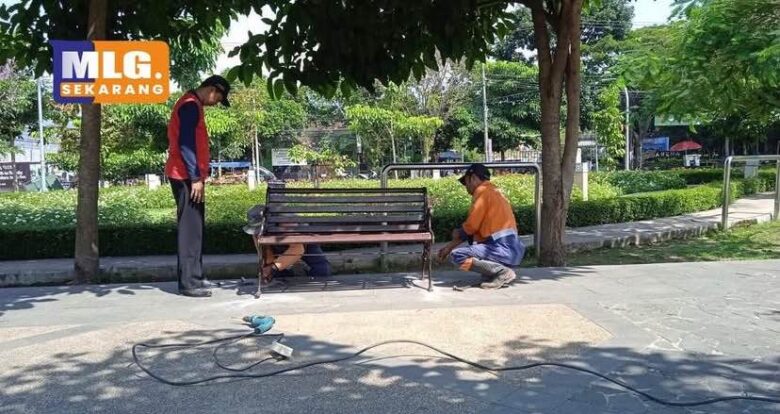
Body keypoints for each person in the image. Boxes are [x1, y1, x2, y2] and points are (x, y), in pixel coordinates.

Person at [165, 75, 231, 297]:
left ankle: (196, 276)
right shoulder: (190, 105)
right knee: (190, 230)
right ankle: (189, 283)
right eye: (218, 98)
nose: (216, 103)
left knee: (195, 229)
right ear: (212, 90)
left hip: (188, 175)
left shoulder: (192, 103)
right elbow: (186, 144)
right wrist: (195, 178)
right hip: (185, 176)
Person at [437, 163, 525, 289]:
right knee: (482, 269)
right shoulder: (495, 192)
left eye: (466, 182)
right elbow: (472, 231)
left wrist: (458, 234)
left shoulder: (482, 192)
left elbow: (470, 228)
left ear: (473, 178)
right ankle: (499, 272)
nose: (466, 187)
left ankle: (502, 272)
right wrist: (449, 246)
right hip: (512, 252)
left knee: (457, 256)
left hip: (501, 249)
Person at [260, 243, 331, 283]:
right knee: (276, 277)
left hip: (305, 241)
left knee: (322, 270)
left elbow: (298, 248)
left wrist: (273, 267)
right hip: (276, 244)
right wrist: (270, 266)